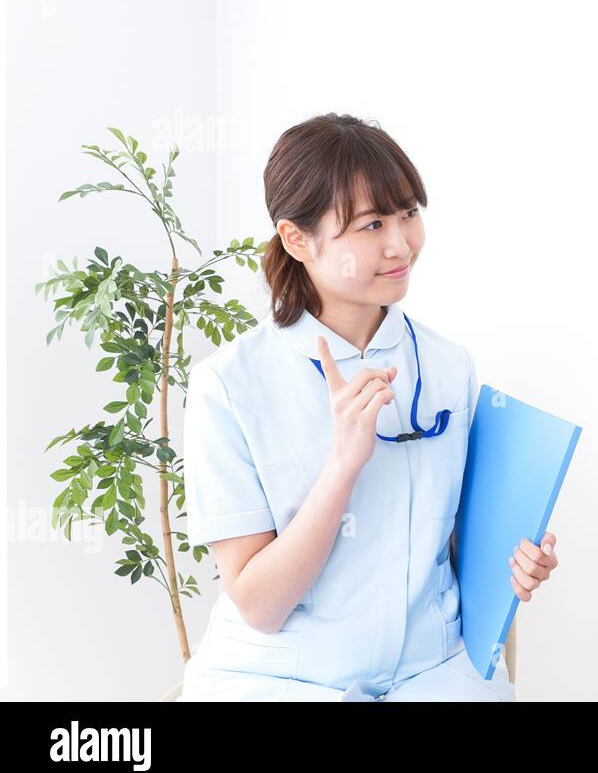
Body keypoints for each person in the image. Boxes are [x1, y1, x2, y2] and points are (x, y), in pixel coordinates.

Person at [179, 113, 558, 701]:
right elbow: (259, 604)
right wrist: (343, 466)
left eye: (408, 213)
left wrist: (517, 562)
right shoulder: (228, 386)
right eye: (371, 223)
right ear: (297, 239)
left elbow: (458, 549)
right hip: (281, 676)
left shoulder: (448, 367)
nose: (400, 242)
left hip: (429, 668)